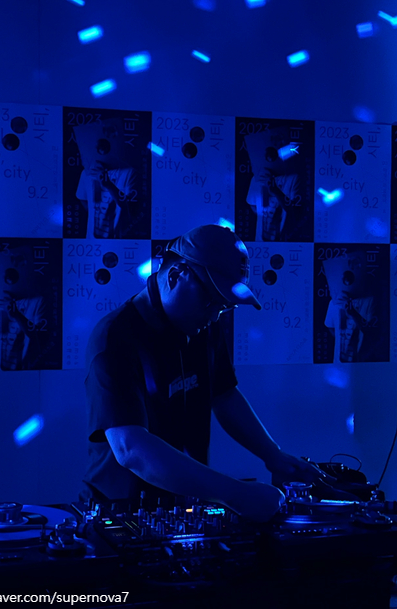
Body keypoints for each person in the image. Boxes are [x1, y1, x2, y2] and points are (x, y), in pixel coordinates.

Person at [81, 224, 343, 523]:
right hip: (121, 512)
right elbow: (130, 447)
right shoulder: (114, 338)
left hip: (185, 506)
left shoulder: (201, 321)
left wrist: (274, 456)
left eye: (225, 306)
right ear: (176, 275)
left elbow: (224, 395)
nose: (216, 314)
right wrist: (236, 494)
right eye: (211, 301)